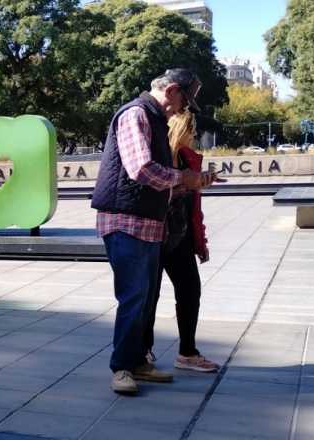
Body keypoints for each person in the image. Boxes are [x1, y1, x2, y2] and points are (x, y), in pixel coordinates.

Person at [91, 68, 217, 395]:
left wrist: (194, 181)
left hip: (146, 224)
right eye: (184, 102)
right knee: (134, 297)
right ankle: (121, 368)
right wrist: (183, 178)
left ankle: (136, 363)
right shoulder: (136, 114)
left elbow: (158, 180)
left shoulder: (155, 120)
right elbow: (141, 169)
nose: (183, 110)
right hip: (125, 221)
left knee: (145, 299)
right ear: (172, 90)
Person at [142, 110, 225, 374]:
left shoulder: (189, 159)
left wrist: (200, 241)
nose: (195, 136)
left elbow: (194, 206)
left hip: (180, 237)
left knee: (190, 290)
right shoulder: (156, 158)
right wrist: (183, 186)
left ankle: (187, 352)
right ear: (181, 129)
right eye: (192, 131)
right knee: (148, 295)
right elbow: (147, 193)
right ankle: (142, 350)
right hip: (152, 235)